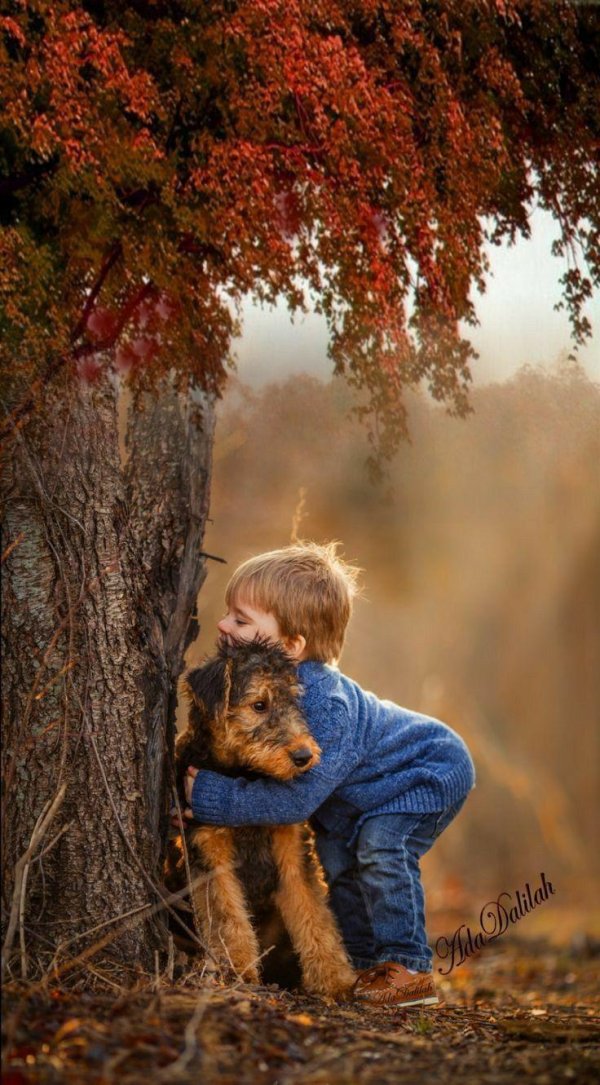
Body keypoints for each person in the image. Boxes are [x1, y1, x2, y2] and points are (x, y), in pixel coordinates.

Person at [178, 542, 476, 1007]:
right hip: (362, 795)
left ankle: (409, 968)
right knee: (337, 862)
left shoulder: (327, 705)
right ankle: (362, 965)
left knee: (381, 848)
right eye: (228, 615)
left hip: (426, 768)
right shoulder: (280, 683)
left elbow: (296, 801)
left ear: (291, 645)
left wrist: (211, 796)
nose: (223, 626)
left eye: (241, 620)